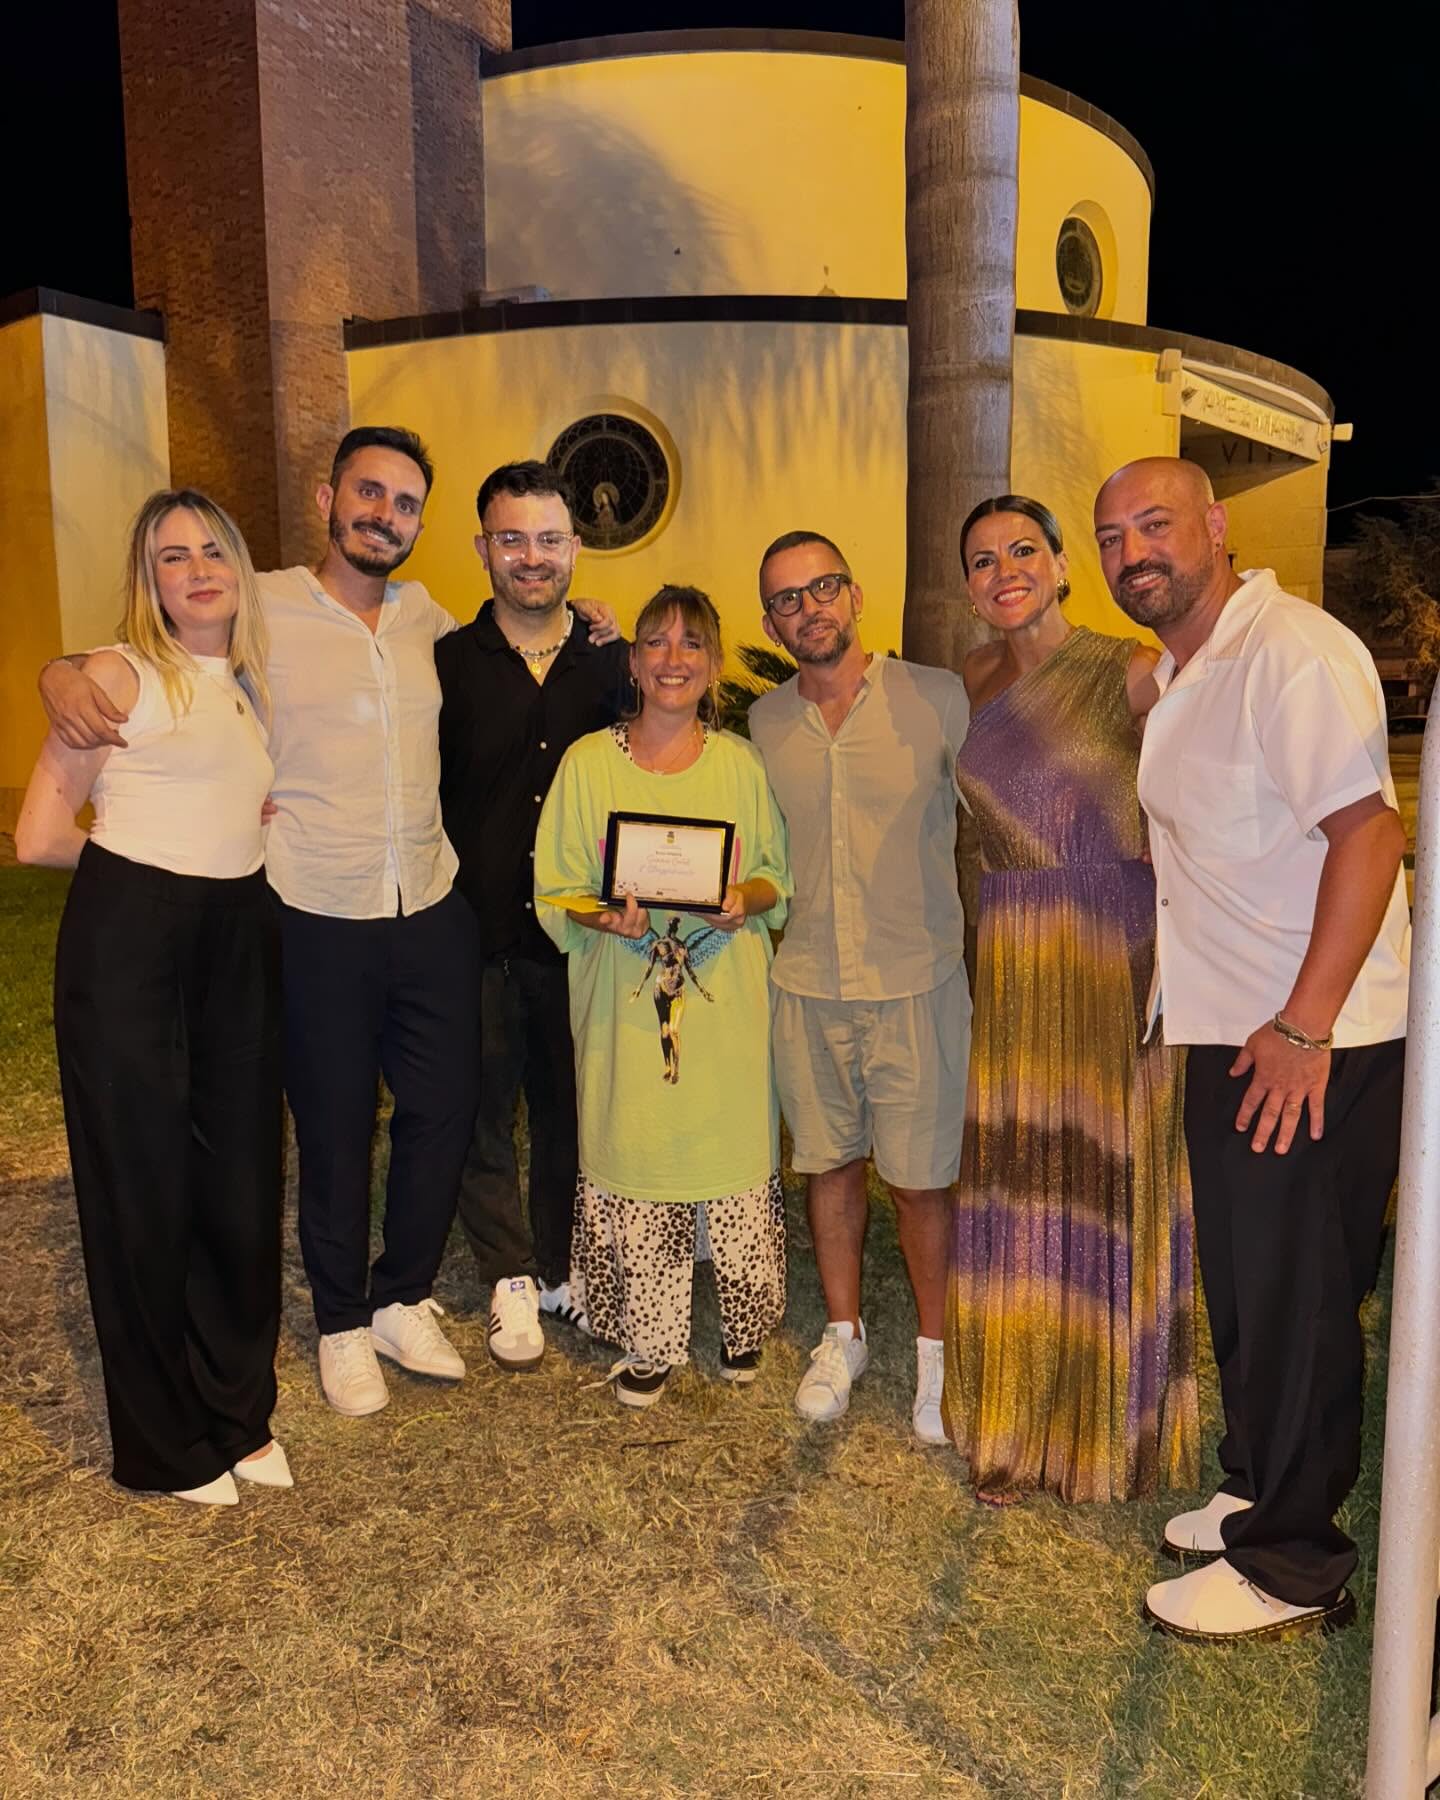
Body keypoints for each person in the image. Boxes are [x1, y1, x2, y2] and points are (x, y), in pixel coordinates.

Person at [40, 428, 618, 1420]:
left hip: (428, 903)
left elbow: (525, 637)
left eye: (404, 503)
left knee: (444, 1110)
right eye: (368, 493)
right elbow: (149, 642)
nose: (383, 515)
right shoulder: (259, 604)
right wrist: (60, 672)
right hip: (314, 908)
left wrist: (593, 622)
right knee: (338, 1123)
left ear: (422, 524)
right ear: (328, 498)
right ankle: (344, 1320)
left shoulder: (431, 619)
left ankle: (402, 1295)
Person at [1094, 456, 1409, 1642]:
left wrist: (1304, 1024)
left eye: (1156, 525)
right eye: (1113, 537)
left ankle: (1295, 1566)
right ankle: (1258, 1486)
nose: (1134, 553)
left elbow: (1370, 834)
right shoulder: (1190, 666)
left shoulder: (1291, 653)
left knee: (1301, 1298)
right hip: (1228, 1025)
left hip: (1312, 1039)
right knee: (1248, 1286)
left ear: (1217, 526)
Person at [16, 489, 288, 1505]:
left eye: (213, 549)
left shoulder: (247, 688)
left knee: (241, 1182)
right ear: (149, 580)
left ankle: (237, 1410)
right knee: (142, 1186)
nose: (198, 569)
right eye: (173, 556)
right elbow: (39, 837)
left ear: (239, 567)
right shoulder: (118, 674)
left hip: (239, 934)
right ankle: (166, 1444)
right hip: (133, 940)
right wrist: (145, 869)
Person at [942, 494, 1198, 1504]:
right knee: (1024, 1168)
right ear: (969, 586)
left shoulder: (1131, 670)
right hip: (1014, 947)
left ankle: (1107, 1422)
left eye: (1022, 551)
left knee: (1106, 1167)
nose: (1003, 570)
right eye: (982, 560)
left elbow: (1194, 803)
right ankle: (1017, 1415)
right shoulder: (973, 678)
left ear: (1060, 566)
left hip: (1110, 946)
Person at [533, 586, 791, 1408]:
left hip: (727, 1009)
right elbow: (556, 886)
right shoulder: (587, 765)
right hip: (622, 1003)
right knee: (639, 1148)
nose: (673, 659)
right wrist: (603, 914)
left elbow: (774, 875)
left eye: (691, 644)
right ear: (634, 662)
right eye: (656, 642)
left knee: (729, 1152)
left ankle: (743, 1327)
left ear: (712, 666)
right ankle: (650, 1338)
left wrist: (743, 900)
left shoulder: (741, 765)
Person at [747, 532, 970, 1444]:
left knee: (921, 1184)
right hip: (807, 984)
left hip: (916, 982)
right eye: (787, 599)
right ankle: (844, 1337)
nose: (809, 609)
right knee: (829, 1166)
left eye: (823, 587)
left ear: (855, 593)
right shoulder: (763, 724)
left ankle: (936, 1353)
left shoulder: (937, 698)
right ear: (772, 622)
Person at [436, 462, 630, 1373]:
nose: (531, 556)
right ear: (483, 547)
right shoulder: (446, 665)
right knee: (479, 1108)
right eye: (511, 538)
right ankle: (508, 1274)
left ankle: (561, 1263)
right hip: (472, 931)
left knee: (571, 1104)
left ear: (575, 549)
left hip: (581, 936)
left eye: (549, 539)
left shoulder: (613, 665)